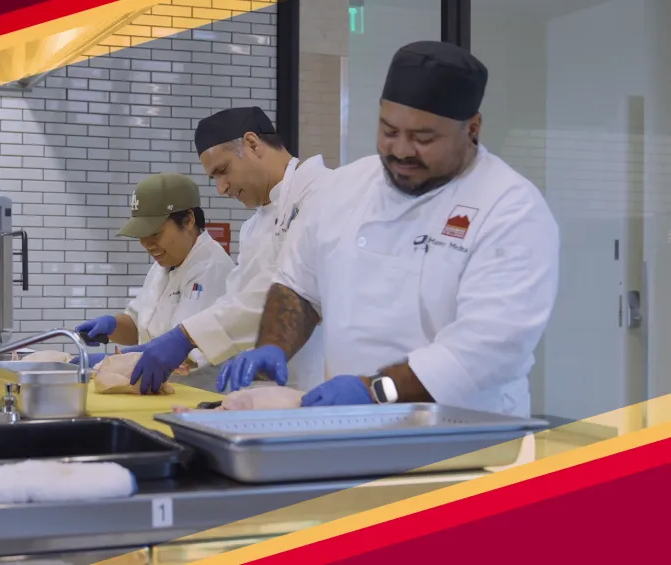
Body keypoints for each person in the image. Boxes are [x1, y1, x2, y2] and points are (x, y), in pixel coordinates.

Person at [217, 41, 560, 418]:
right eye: (389, 130)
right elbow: (298, 287)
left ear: (473, 128)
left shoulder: (510, 209)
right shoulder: (344, 188)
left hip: (465, 438)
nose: (401, 150)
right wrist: (274, 347)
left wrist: (376, 390)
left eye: (423, 138)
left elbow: (487, 347)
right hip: (353, 427)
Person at [100, 107, 333, 395]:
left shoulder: (322, 195)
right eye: (214, 178)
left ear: (252, 143)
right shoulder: (253, 228)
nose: (222, 188)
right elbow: (236, 302)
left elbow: (282, 292)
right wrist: (185, 349)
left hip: (314, 383)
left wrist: (185, 337)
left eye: (222, 171)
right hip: (262, 392)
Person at [74, 173, 235, 390]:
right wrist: (111, 326)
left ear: (188, 220)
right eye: (141, 235)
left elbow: (181, 353)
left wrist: (111, 362)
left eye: (155, 233)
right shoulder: (164, 265)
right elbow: (137, 325)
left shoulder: (212, 268)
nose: (147, 245)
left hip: (199, 397)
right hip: (161, 393)